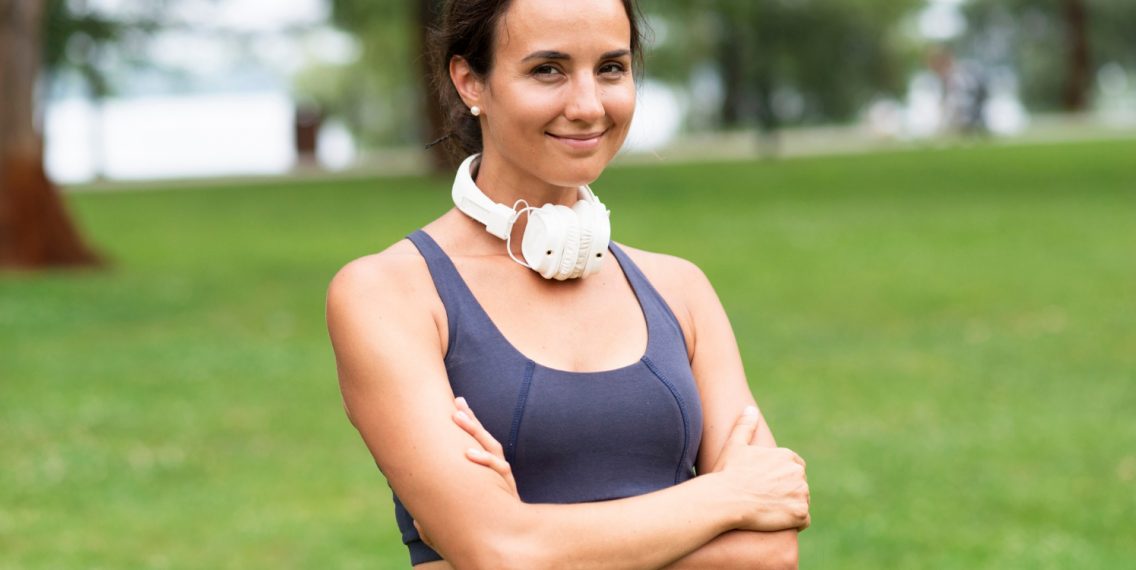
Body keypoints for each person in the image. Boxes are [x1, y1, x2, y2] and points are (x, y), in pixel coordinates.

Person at [325, 0, 810, 567]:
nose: (587, 106)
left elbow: (769, 549)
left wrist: (531, 540)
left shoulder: (682, 289)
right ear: (469, 83)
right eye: (546, 70)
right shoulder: (388, 294)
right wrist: (726, 497)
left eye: (611, 68)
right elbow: (502, 550)